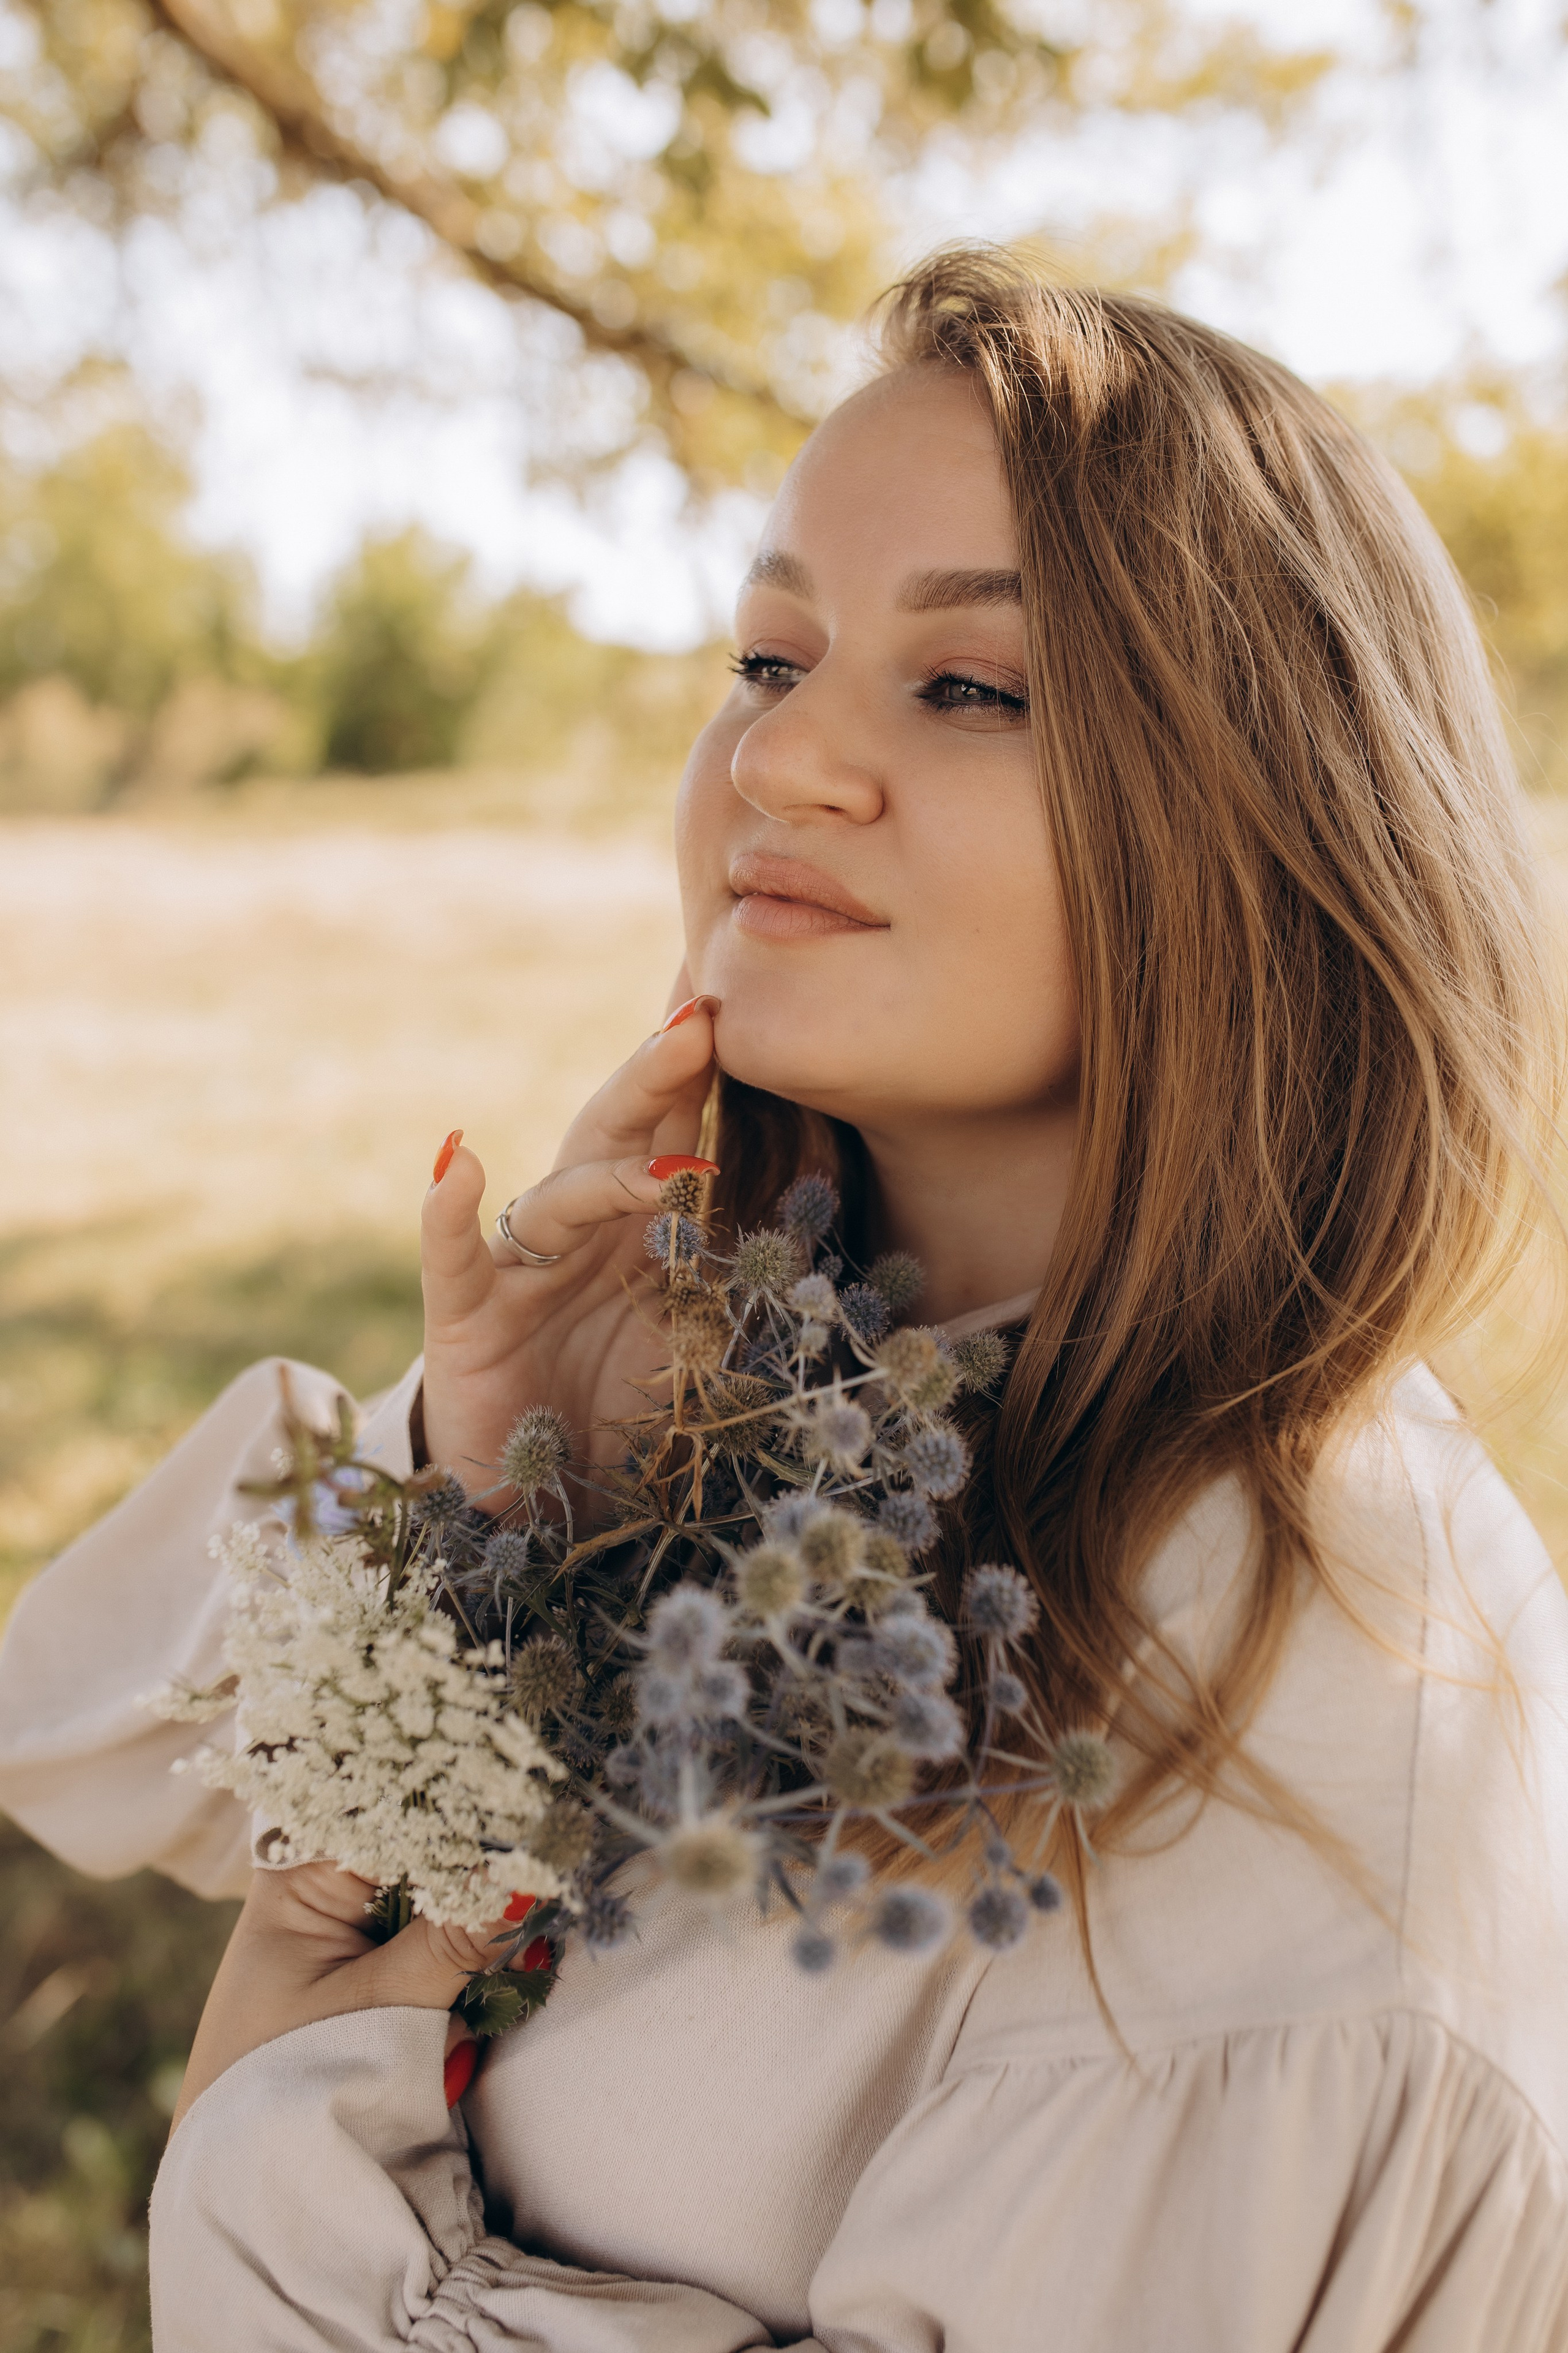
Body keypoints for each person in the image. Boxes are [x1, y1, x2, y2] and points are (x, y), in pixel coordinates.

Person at [2, 246, 1566, 2351]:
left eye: (972, 686)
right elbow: (98, 1733)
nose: (783, 757)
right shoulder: (781, 1398)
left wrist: (274, 2135)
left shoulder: (1296, 1752)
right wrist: (491, 1505)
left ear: (1271, 825)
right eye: (767, 657)